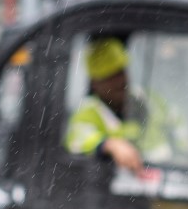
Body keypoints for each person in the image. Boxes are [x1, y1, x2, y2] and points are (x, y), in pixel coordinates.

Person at [64, 37, 178, 174]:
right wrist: (109, 144)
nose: (119, 81)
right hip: (120, 187)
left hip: (171, 177)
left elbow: (178, 125)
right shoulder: (87, 112)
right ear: (95, 83)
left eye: (120, 72)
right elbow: (77, 138)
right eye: (109, 77)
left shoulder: (147, 99)